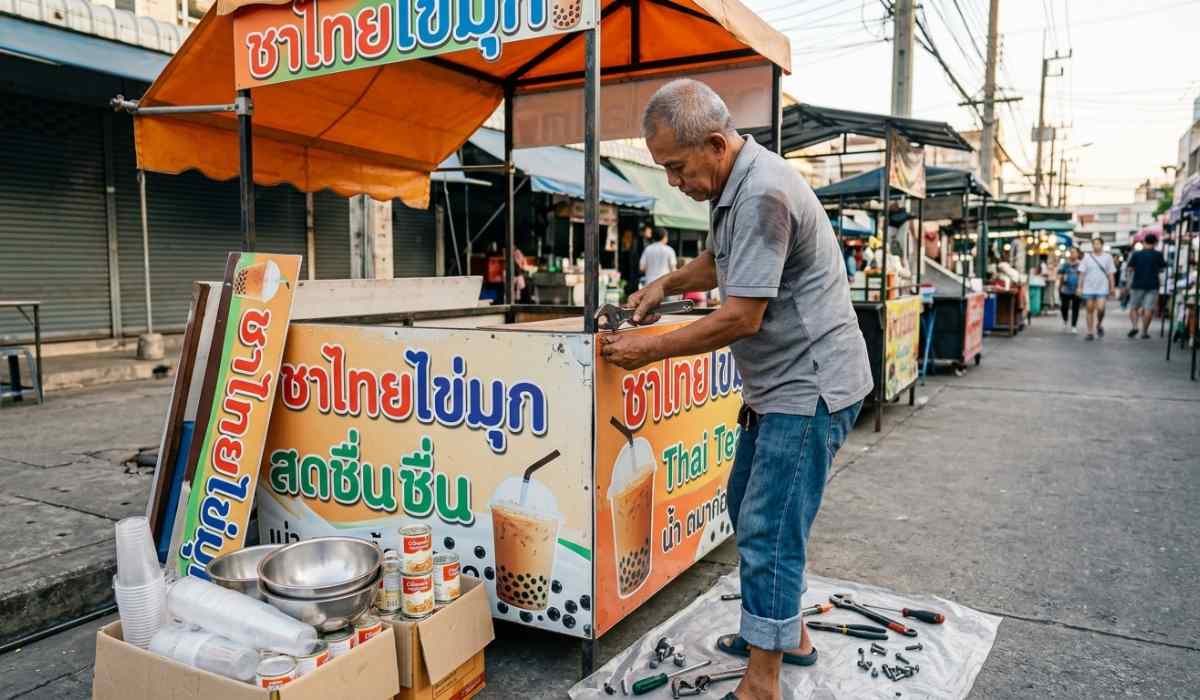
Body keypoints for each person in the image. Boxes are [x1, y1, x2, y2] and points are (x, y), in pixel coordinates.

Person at [598, 79, 871, 700]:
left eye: (675, 166)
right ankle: (786, 635)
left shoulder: (763, 193)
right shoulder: (738, 182)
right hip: (780, 386)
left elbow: (740, 315)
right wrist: (664, 286)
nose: (673, 181)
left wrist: (649, 348)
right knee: (746, 500)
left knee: (768, 527)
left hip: (811, 386)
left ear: (716, 144)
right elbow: (720, 265)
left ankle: (763, 682)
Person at [1124, 234, 1167, 339]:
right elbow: (1162, 269)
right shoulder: (1158, 254)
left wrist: (1128, 282)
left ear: (1144, 242)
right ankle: (1144, 332)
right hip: (1153, 284)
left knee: (1134, 307)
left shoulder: (1136, 254)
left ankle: (1135, 326)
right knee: (1148, 308)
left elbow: (1130, 268)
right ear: (1155, 243)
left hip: (1137, 284)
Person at [1078, 237, 1117, 341]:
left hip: (1102, 287)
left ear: (1102, 245)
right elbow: (1082, 273)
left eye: (1098, 244)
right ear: (1092, 245)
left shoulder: (1108, 257)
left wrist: (1112, 287)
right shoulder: (1087, 257)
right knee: (1089, 309)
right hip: (1089, 287)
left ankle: (1099, 324)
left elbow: (1111, 273)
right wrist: (1079, 287)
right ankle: (1090, 332)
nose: (1096, 246)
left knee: (1100, 308)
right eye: (1094, 244)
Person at [1057, 248, 1082, 333]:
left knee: (1076, 308)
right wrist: (1060, 282)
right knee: (1064, 307)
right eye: (1071, 252)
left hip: (1077, 289)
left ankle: (1074, 325)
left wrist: (1081, 287)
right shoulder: (1065, 264)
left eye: (1074, 252)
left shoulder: (1081, 264)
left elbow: (1083, 276)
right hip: (1065, 289)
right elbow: (1060, 274)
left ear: (1078, 254)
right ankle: (1065, 319)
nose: (1072, 254)